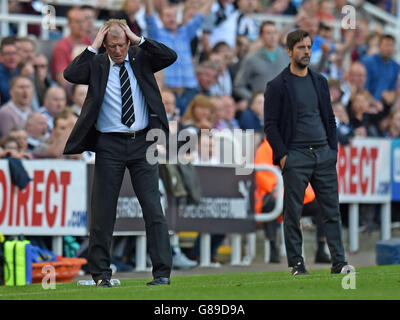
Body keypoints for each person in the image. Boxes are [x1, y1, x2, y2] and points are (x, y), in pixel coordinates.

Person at [63, 19, 177, 287]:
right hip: (109, 144)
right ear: (105, 44)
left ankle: (162, 273)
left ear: (128, 41)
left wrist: (138, 39)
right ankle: (101, 274)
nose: (117, 50)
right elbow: (71, 74)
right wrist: (93, 46)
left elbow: (170, 56)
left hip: (143, 143)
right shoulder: (98, 63)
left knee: (153, 208)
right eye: (111, 45)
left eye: (121, 44)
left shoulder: (140, 56)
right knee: (103, 211)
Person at [264, 29, 352, 275]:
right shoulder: (276, 86)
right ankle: (297, 264)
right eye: (301, 48)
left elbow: (329, 118)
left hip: (323, 153)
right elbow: (270, 125)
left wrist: (332, 149)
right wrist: (284, 156)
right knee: (293, 213)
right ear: (289, 51)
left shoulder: (320, 81)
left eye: (309, 47)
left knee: (332, 210)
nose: (306, 52)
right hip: (296, 155)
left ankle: (339, 262)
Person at [0, 37, 20, 105]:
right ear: (1, 57)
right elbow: (10, 97)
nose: (12, 57)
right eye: (8, 53)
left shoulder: (18, 71)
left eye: (14, 53)